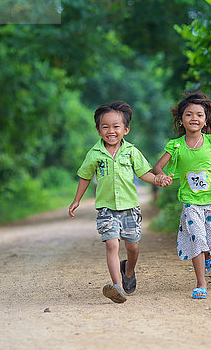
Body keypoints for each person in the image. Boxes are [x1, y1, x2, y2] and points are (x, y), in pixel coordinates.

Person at [69, 101, 171, 303]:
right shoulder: (94, 154)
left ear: (126, 129)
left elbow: (144, 173)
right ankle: (117, 286)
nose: (111, 131)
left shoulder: (131, 151)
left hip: (130, 208)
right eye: (105, 127)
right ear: (98, 130)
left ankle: (129, 271)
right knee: (111, 244)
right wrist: (76, 200)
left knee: (132, 247)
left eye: (116, 126)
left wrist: (158, 179)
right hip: (107, 208)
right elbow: (85, 177)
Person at [152, 91, 211, 300]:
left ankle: (208, 254)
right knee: (197, 238)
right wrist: (162, 177)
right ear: (181, 120)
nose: (194, 118)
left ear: (205, 121)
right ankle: (200, 283)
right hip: (190, 202)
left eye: (199, 115)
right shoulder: (176, 145)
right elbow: (158, 167)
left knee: (210, 242)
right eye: (188, 114)